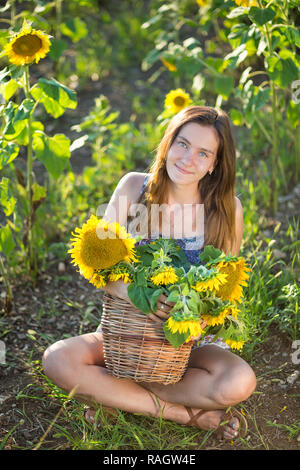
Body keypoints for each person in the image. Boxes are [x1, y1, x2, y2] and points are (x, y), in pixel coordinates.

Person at [42, 106, 256, 440]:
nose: (188, 159)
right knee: (56, 360)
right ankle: (181, 414)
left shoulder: (227, 210)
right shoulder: (133, 190)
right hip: (123, 337)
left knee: (239, 382)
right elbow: (99, 265)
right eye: (182, 144)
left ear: (215, 163)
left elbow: (221, 293)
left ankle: (113, 393)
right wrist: (138, 297)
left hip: (184, 347)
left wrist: (195, 318)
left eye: (203, 153)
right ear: (168, 142)